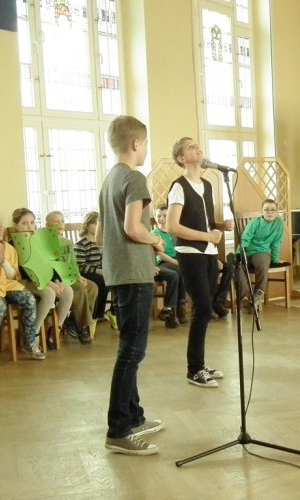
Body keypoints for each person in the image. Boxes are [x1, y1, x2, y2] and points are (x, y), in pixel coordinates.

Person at [99, 115, 164, 455]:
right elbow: (133, 228)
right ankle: (118, 430)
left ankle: (134, 417)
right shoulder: (135, 178)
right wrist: (155, 239)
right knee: (132, 353)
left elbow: (101, 234)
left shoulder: (110, 179)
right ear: (136, 143)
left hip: (117, 272)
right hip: (135, 274)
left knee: (128, 347)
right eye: (146, 142)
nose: (146, 148)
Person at [166, 136, 233, 387]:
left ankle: (200, 364)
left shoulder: (207, 184)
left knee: (207, 308)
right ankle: (193, 369)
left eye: (197, 145)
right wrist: (207, 236)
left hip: (208, 252)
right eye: (191, 147)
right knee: (203, 308)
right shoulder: (178, 187)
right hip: (189, 252)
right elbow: (172, 226)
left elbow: (203, 221)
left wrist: (219, 226)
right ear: (181, 158)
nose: (198, 148)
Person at [0, 215, 45, 362]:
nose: (1, 229)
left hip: (6, 285)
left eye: (1, 226)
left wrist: (4, 262)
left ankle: (30, 343)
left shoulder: (9, 248)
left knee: (29, 299)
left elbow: (13, 276)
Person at [10, 207, 73, 349]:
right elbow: (26, 270)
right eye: (24, 223)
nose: (29, 226)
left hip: (43, 280)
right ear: (16, 226)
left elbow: (49, 263)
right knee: (49, 293)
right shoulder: (13, 244)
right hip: (23, 281)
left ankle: (55, 329)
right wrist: (49, 284)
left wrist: (56, 280)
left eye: (32, 223)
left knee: (67, 291)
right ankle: (34, 333)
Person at [45, 211, 99, 343]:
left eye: (62, 221)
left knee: (92, 287)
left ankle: (72, 322)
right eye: (56, 221)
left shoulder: (67, 242)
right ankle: (81, 327)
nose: (60, 224)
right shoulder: (45, 243)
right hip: (56, 280)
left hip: (69, 277)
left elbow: (73, 264)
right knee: (80, 289)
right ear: (47, 225)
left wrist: (78, 276)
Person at [235, 198, 285, 312]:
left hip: (261, 252)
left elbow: (276, 242)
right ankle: (245, 298)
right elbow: (245, 239)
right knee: (238, 267)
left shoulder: (278, 223)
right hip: (247, 250)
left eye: (273, 210)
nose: (270, 212)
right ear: (261, 211)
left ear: (276, 212)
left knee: (263, 262)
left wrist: (275, 260)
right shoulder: (254, 223)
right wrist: (239, 254)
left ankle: (258, 294)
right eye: (266, 209)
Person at [74, 210, 118, 330]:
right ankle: (95, 316)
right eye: (95, 223)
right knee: (103, 282)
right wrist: (98, 271)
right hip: (86, 274)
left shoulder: (103, 242)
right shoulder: (81, 244)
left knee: (118, 280)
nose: (98, 226)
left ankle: (113, 312)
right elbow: (79, 266)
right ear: (87, 225)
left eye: (100, 223)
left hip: (103, 272)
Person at [151, 205, 188, 328]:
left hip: (177, 261)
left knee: (184, 271)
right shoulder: (155, 234)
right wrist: (177, 262)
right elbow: (160, 254)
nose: (161, 219)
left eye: (165, 216)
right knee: (179, 271)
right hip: (162, 263)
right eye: (159, 216)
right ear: (155, 218)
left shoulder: (174, 232)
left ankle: (175, 310)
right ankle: (173, 312)